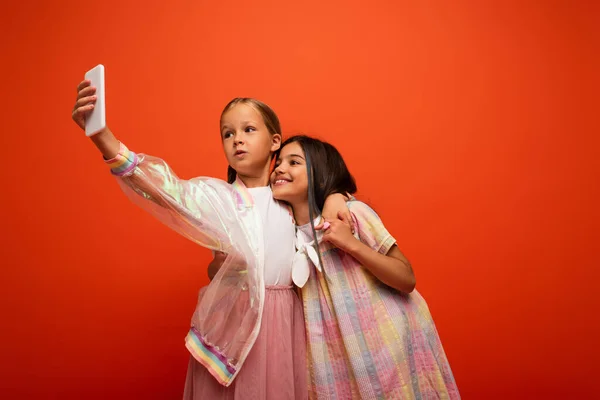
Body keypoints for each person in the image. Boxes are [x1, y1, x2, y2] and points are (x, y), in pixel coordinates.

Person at [71, 81, 350, 399]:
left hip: (288, 326)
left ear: (275, 141)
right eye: (228, 134)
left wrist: (336, 198)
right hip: (237, 329)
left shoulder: (292, 197)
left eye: (248, 130)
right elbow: (167, 191)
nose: (237, 140)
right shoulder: (219, 198)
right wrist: (104, 139)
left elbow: (331, 214)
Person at [271, 135, 461, 399]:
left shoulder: (351, 215)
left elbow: (406, 278)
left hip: (385, 344)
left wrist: (351, 244)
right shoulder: (282, 232)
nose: (280, 168)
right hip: (331, 355)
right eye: (278, 162)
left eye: (294, 162)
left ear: (322, 177)